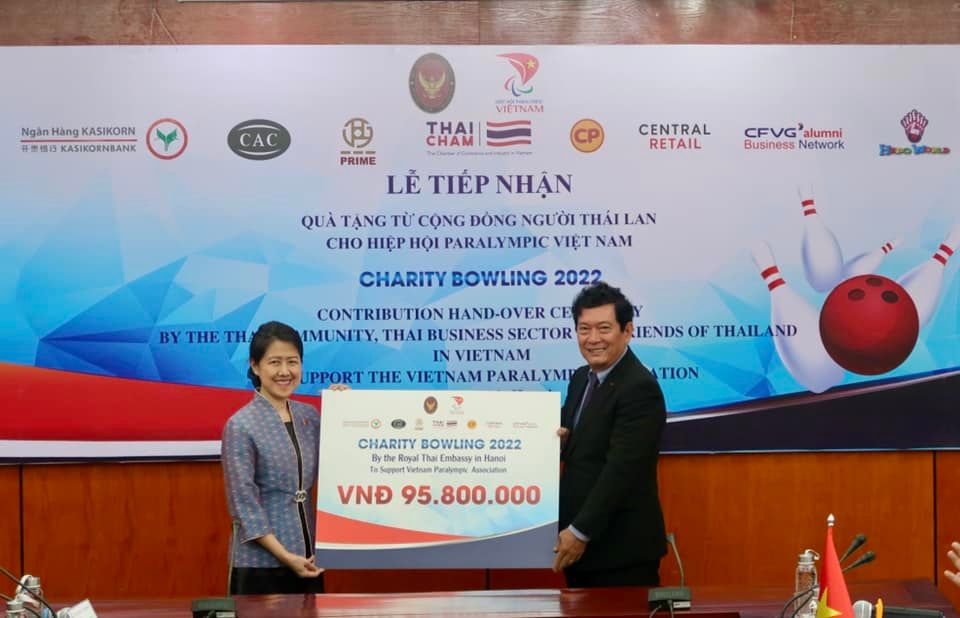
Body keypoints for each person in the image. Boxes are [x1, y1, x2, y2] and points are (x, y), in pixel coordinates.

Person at [552, 282, 667, 587]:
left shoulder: (639, 387)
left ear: (627, 331)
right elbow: (576, 440)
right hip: (579, 547)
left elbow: (623, 470)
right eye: (584, 329)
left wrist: (580, 532)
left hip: (619, 552)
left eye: (604, 328)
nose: (593, 339)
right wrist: (557, 441)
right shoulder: (581, 378)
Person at [222, 321, 344, 594]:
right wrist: (286, 556)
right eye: (274, 362)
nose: (285, 371)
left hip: (308, 558)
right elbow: (243, 505)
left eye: (293, 361)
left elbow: (341, 463)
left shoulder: (309, 416)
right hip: (260, 563)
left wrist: (345, 410)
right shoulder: (240, 425)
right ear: (255, 366)